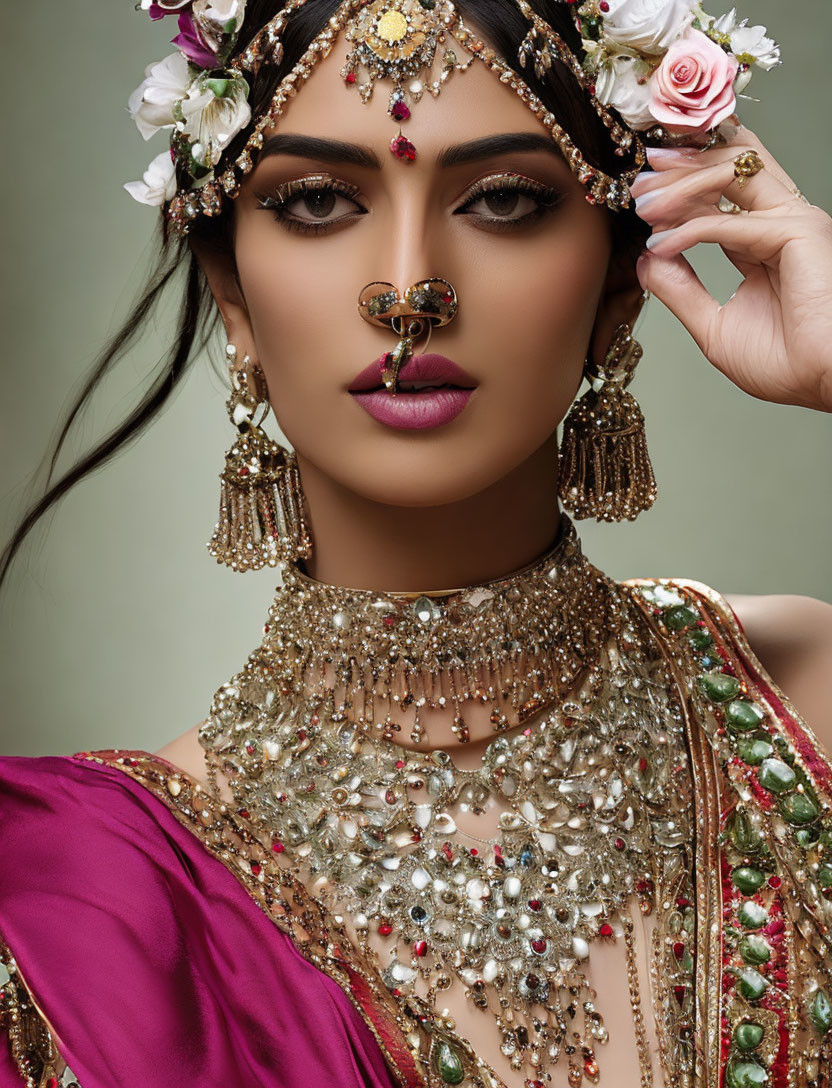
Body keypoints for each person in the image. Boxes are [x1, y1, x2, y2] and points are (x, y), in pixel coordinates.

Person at [1, 1, 830, 1086]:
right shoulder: (69, 904)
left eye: (502, 200)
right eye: (315, 201)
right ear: (230, 290)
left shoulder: (801, 698)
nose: (407, 290)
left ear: (624, 280)